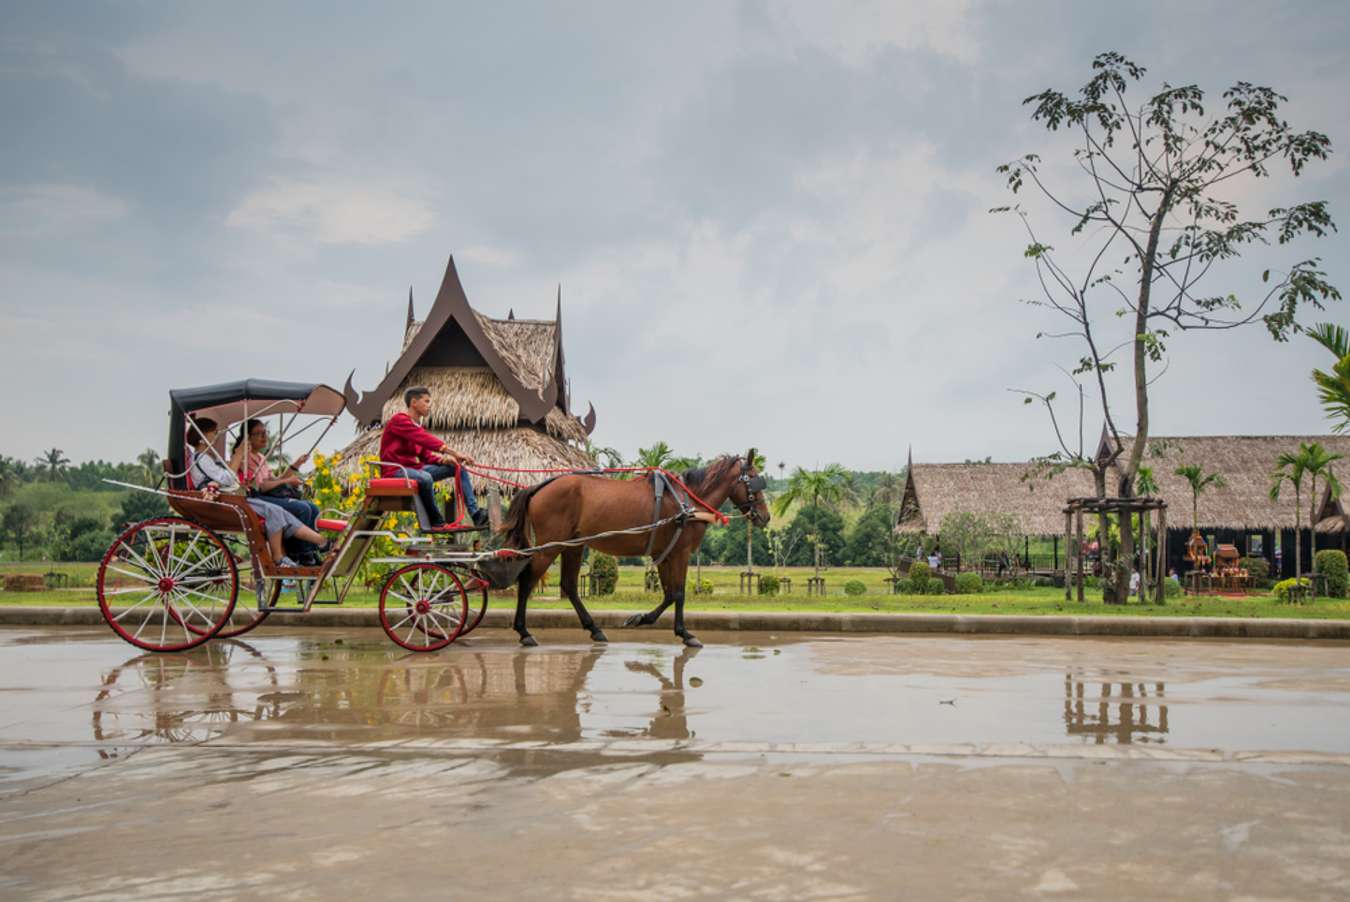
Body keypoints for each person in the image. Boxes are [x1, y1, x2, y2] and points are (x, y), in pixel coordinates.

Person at [187, 417, 329, 568]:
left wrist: (295, 466)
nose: (217, 436)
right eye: (213, 433)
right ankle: (291, 555)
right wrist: (238, 454)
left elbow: (229, 480)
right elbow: (227, 479)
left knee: (282, 510)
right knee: (281, 510)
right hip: (227, 501)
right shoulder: (201, 458)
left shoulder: (209, 458)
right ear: (202, 438)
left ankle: (320, 543)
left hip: (233, 497)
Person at [380, 386, 488, 530]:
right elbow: (426, 439)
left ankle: (475, 514)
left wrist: (443, 460)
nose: (429, 406)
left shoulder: (417, 427)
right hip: (395, 471)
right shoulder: (399, 420)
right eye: (426, 401)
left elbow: (425, 455)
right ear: (414, 402)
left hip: (414, 469)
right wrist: (453, 453)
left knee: (457, 468)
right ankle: (436, 521)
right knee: (425, 478)